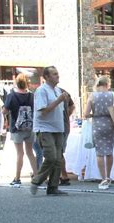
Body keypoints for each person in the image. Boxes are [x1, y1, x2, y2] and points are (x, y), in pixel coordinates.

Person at [30, 66, 69, 196]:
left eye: (57, 73)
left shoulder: (58, 90)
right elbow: (43, 111)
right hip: (45, 128)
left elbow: (63, 110)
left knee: (58, 159)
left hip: (58, 128)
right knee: (51, 157)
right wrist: (59, 100)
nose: (57, 76)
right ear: (46, 77)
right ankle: (37, 180)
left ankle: (53, 187)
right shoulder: (41, 91)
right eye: (54, 74)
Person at [3, 73, 38, 186]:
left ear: (16, 83)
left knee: (19, 153)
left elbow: (5, 111)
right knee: (30, 152)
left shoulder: (11, 95)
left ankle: (17, 178)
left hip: (16, 128)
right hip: (30, 127)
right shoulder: (31, 95)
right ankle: (36, 176)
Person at [84, 76, 114, 190]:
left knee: (100, 153)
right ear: (107, 84)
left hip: (97, 125)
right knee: (109, 152)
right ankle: (108, 176)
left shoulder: (92, 96)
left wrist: (95, 114)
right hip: (110, 125)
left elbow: (86, 114)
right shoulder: (112, 95)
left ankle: (103, 178)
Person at [59, 88, 75, 186]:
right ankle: (60, 175)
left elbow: (72, 106)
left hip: (60, 126)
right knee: (58, 151)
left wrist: (66, 115)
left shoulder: (61, 92)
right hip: (64, 125)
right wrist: (67, 115)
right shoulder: (63, 91)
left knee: (58, 151)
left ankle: (64, 175)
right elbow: (72, 106)